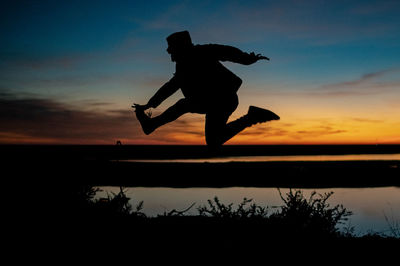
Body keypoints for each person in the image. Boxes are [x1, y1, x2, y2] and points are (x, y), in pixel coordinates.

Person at [133, 30, 279, 149]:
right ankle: (252, 117)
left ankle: (251, 117)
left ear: (180, 48)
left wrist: (247, 59)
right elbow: (171, 86)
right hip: (209, 102)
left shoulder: (202, 51)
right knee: (213, 140)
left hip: (223, 98)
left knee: (184, 105)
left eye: (172, 51)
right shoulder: (183, 66)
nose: (171, 55)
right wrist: (150, 104)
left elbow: (226, 51)